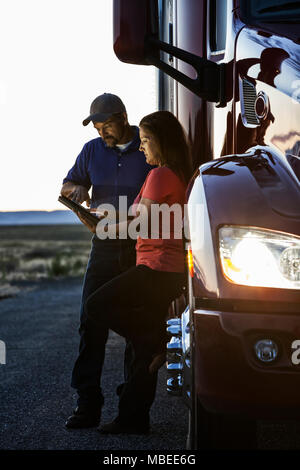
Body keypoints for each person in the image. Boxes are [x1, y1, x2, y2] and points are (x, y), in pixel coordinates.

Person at [76, 110, 191, 434]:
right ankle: (134, 416)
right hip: (164, 270)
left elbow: (140, 224)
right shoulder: (171, 174)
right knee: (141, 355)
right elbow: (140, 214)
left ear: (161, 142)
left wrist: (103, 229)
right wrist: (103, 217)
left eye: (145, 141)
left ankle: (159, 340)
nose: (141, 148)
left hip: (156, 269)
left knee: (96, 306)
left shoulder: (161, 175)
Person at [62, 93, 152, 429]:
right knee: (90, 320)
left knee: (136, 322)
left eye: (107, 126)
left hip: (139, 247)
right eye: (98, 128)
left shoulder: (147, 146)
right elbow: (71, 182)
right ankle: (87, 404)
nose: (103, 134)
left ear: (123, 116)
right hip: (103, 245)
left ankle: (132, 409)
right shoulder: (91, 150)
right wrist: (74, 192)